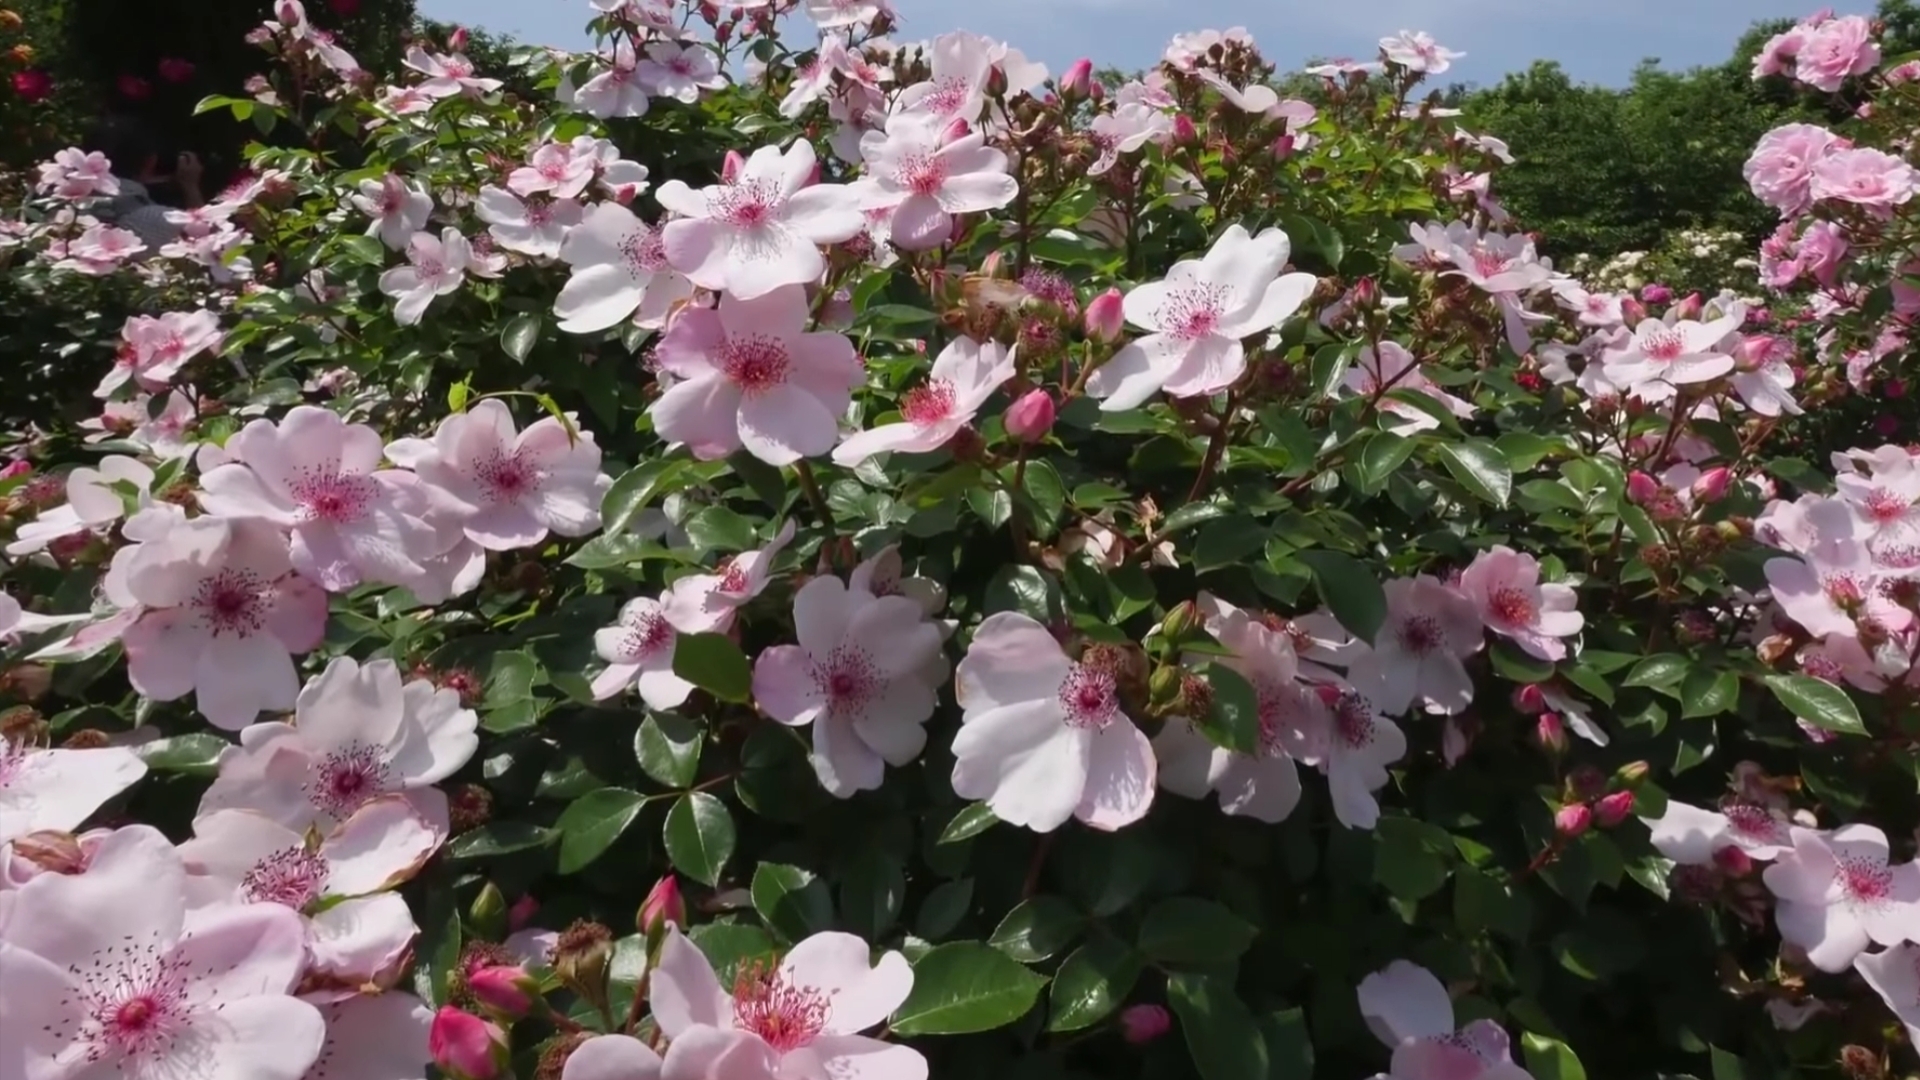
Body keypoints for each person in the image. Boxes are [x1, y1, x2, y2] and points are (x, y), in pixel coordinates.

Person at [80, 114, 204, 251]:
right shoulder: (167, 221)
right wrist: (191, 187)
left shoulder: (66, 211)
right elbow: (209, 244)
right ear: (151, 161)